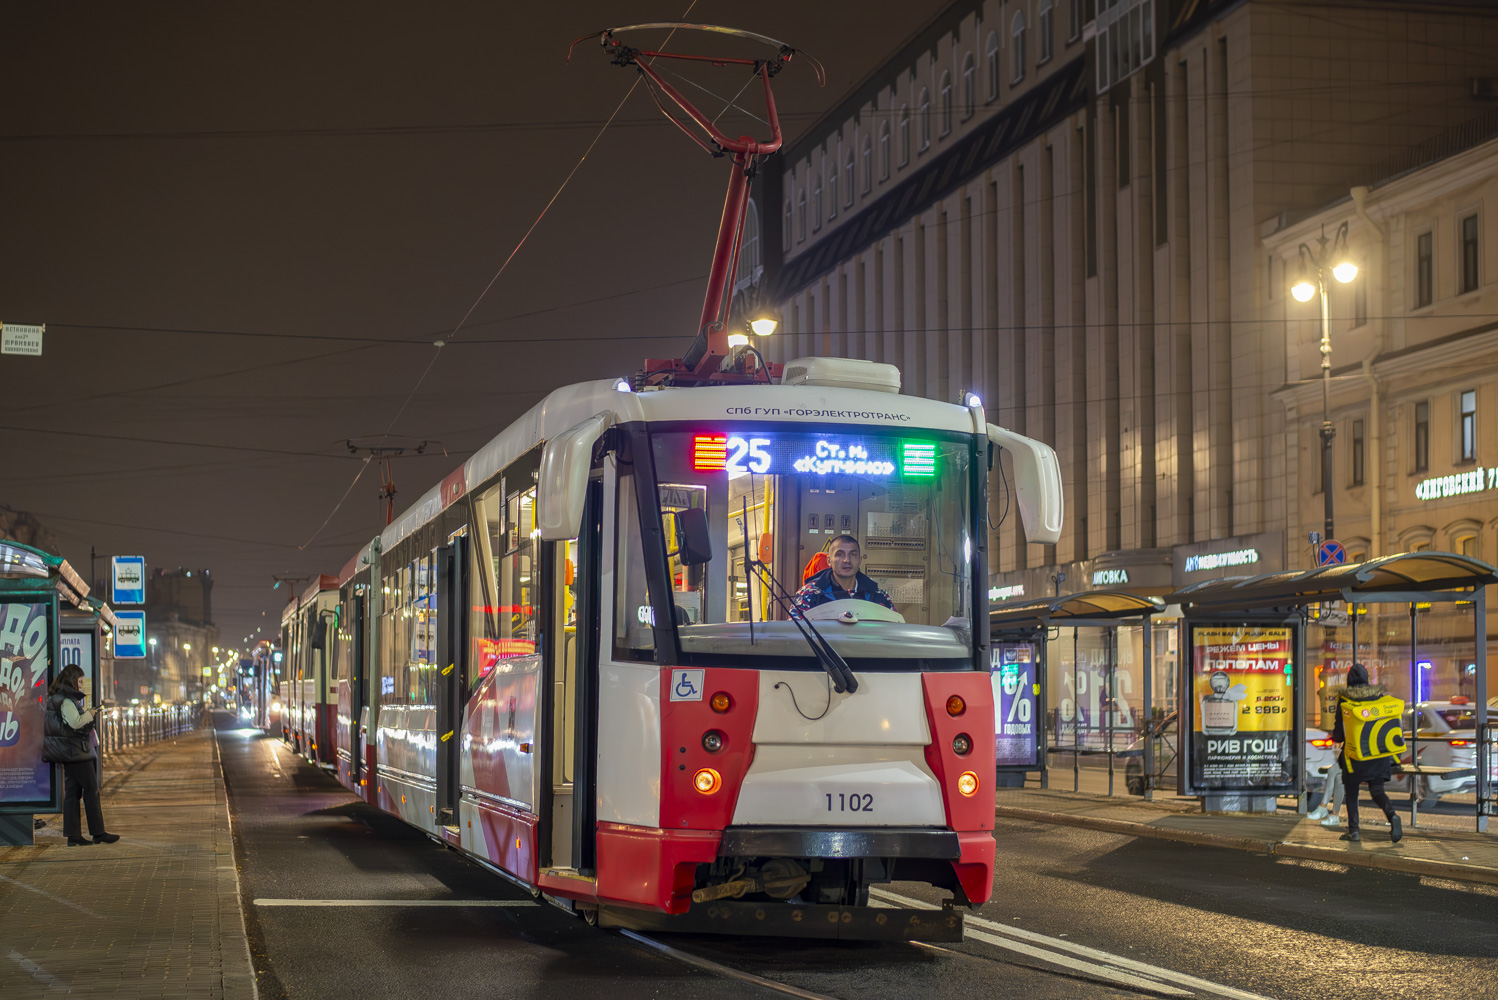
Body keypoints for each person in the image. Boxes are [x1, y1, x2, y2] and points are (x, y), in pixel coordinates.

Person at [42, 664, 120, 847]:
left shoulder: (60, 697)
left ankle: (73, 836)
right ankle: (98, 833)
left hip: (71, 752)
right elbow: (75, 723)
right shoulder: (66, 700)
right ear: (71, 681)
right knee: (91, 791)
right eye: (79, 681)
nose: (81, 685)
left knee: (72, 793)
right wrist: (90, 714)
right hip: (76, 752)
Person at [1330, 663, 1403, 844]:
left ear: (1349, 680)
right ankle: (1392, 815)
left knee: (1352, 792)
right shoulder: (1378, 697)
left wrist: (1336, 736)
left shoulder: (1346, 701)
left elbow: (1339, 734)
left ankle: (1354, 831)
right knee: (1377, 790)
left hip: (1356, 756)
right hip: (1379, 754)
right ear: (1366, 679)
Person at [792, 534, 894, 611]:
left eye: (853, 554)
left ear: (860, 560)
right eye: (840, 554)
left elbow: (894, 631)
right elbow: (794, 632)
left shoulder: (878, 595)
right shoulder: (809, 595)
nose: (846, 560)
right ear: (829, 561)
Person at [1308, 682, 1347, 827]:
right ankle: (1335, 815)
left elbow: (1338, 735)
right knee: (1338, 779)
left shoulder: (1345, 704)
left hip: (1355, 753)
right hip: (1364, 751)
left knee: (1332, 771)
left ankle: (1324, 806)